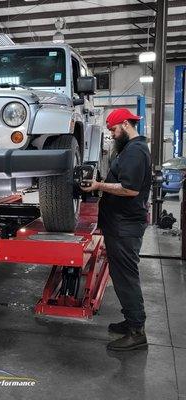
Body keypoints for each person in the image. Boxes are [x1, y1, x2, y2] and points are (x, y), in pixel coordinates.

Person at [82, 108, 152, 351]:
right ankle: (131, 320)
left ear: (125, 124)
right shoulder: (131, 150)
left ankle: (137, 332)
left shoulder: (134, 151)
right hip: (121, 224)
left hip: (125, 226)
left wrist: (99, 185)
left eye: (113, 130)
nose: (112, 135)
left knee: (126, 278)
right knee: (122, 277)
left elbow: (130, 189)